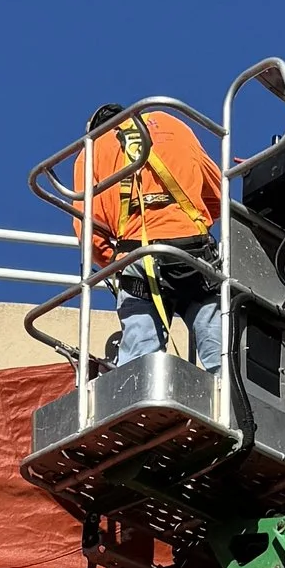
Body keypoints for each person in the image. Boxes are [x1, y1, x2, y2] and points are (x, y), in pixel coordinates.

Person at [77, 104, 228, 373]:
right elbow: (216, 193)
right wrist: (186, 220)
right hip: (192, 249)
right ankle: (235, 402)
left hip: (136, 257)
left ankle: (140, 407)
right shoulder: (173, 125)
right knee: (220, 352)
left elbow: (87, 227)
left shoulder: (90, 151)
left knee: (140, 358)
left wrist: (110, 263)